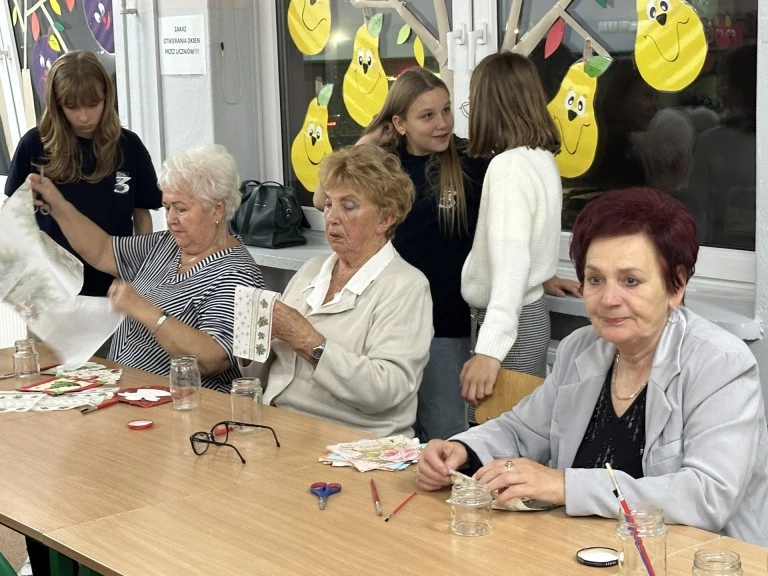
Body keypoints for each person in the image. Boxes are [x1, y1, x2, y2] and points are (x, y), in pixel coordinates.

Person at [417, 187, 768, 547]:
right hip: (583, 552)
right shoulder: (580, 348)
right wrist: (462, 451)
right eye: (596, 279)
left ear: (676, 285)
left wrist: (564, 485)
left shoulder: (720, 364)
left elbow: (707, 496)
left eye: (631, 280)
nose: (609, 299)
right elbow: (522, 430)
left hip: (691, 559)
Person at [314, 67, 578, 441]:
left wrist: (540, 270)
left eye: (447, 110)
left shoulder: (475, 160)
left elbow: (511, 229)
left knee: (450, 433)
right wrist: (369, 139)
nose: (442, 123)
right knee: (400, 432)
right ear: (399, 123)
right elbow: (324, 198)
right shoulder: (386, 165)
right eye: (427, 115)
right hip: (396, 317)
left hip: (450, 323)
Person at [28, 144, 264, 392]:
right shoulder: (165, 244)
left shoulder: (236, 274)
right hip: (125, 393)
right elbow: (101, 250)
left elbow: (212, 359)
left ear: (217, 208)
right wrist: (56, 203)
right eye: (167, 207)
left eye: (181, 209)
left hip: (184, 407)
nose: (171, 219)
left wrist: (144, 310)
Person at [262, 145, 432, 437]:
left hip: (355, 443)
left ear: (386, 218)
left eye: (349, 206)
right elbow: (263, 374)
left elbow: (386, 390)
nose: (332, 217)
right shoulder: (312, 271)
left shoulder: (406, 286)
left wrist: (306, 339)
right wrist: (251, 340)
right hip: (280, 428)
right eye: (329, 204)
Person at [5, 50, 161, 297]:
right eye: (72, 107)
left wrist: (142, 277)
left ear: (106, 98)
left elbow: (142, 217)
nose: (84, 116)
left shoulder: (130, 147)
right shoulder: (34, 145)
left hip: (114, 288)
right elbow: (14, 216)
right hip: (51, 290)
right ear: (57, 105)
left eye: (93, 104)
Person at [459, 52, 564, 412]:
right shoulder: (539, 157)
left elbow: (512, 262)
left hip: (508, 328)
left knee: (498, 449)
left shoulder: (507, 168)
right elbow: (529, 242)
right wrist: (545, 275)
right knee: (519, 441)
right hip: (528, 315)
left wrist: (489, 350)